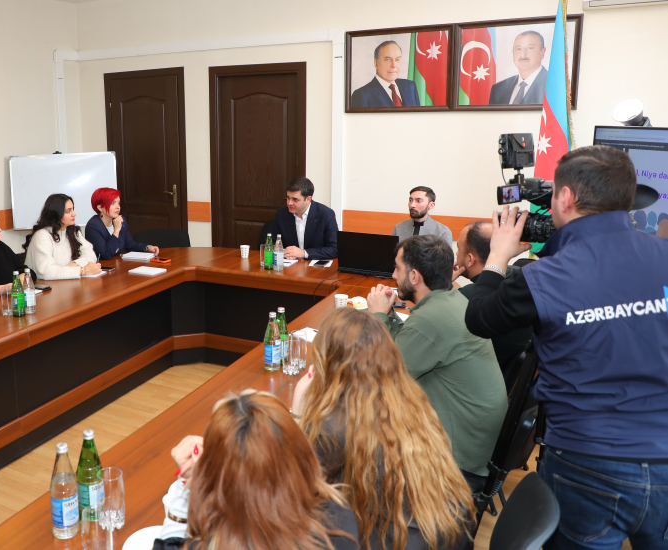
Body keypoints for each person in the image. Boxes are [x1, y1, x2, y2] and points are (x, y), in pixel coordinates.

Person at [465, 146, 668, 550]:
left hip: (585, 459)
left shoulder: (544, 277)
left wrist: (498, 257)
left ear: (565, 197)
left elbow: (479, 319)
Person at [290, 307, 475, 550]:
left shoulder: (332, 426)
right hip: (446, 533)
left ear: (329, 364)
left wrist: (299, 410)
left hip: (400, 540)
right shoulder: (412, 401)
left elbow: (292, 487)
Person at [366, 235, 506, 491]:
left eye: (397, 268)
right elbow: (406, 344)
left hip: (459, 461)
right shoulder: (452, 299)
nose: (393, 275)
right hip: (480, 446)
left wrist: (377, 316)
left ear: (414, 276)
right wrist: (390, 315)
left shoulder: (430, 320)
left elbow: (381, 374)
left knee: (365, 432)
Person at [158, 390, 359, 550]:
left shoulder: (209, 543)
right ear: (301, 454)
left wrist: (185, 485)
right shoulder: (338, 522)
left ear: (216, 478)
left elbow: (171, 543)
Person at [453, 220, 531, 379]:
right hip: (517, 380)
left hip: (478, 379)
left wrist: (443, 289)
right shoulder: (524, 279)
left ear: (470, 259)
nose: (456, 254)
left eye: (459, 248)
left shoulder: (467, 298)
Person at [24, 194, 100, 280]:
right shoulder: (42, 236)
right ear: (56, 214)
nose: (74, 214)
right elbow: (45, 272)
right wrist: (82, 270)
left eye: (73, 209)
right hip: (46, 286)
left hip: (66, 282)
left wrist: (73, 265)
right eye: (68, 211)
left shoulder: (73, 231)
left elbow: (90, 254)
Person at [269, 177, 338, 259]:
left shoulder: (326, 214)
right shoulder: (281, 214)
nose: (289, 203)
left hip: (314, 265)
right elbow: (271, 244)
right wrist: (284, 253)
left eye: (295, 199)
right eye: (288, 198)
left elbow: (335, 249)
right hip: (289, 264)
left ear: (308, 199)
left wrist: (304, 253)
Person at [84, 187, 159, 260]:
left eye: (118, 203)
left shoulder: (120, 220)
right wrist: (116, 231)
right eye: (113, 203)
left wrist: (147, 248)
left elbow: (129, 244)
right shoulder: (93, 226)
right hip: (101, 266)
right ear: (100, 207)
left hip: (116, 263)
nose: (118, 207)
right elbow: (106, 254)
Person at [350, 40, 420, 108]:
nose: (394, 65)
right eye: (388, 59)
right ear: (376, 63)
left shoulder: (410, 86)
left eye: (397, 59)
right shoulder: (362, 95)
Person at [488, 31, 548, 105]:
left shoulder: (552, 86)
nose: (523, 54)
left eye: (530, 48)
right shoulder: (498, 89)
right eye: (518, 49)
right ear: (513, 53)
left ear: (542, 52)